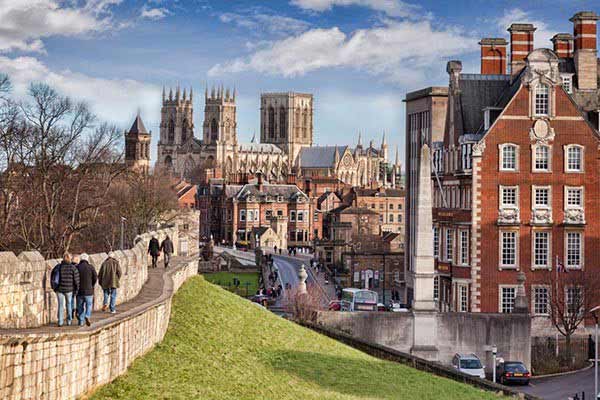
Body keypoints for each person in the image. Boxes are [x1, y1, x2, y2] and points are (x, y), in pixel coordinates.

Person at [51, 252, 80, 326]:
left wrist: (54, 288)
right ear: (70, 259)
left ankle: (60, 321)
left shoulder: (58, 267)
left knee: (60, 305)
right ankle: (69, 320)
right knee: (69, 305)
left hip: (59, 289)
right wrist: (76, 289)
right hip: (69, 290)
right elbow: (76, 280)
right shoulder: (73, 268)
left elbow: (52, 277)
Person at [76, 253, 97, 326]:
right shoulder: (91, 267)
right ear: (87, 259)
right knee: (89, 305)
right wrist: (92, 285)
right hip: (89, 290)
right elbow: (95, 277)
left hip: (79, 291)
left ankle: (81, 321)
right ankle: (87, 315)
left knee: (80, 306)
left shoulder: (77, 267)